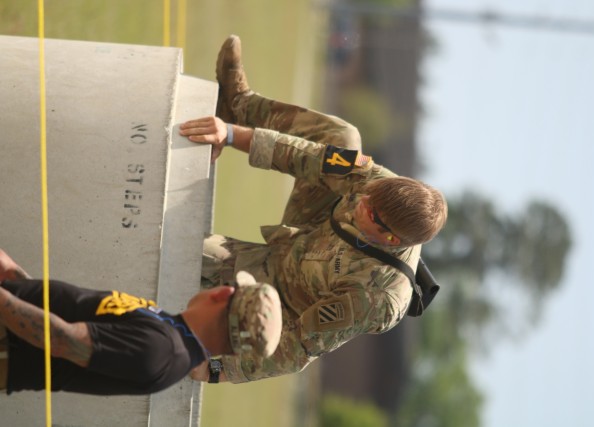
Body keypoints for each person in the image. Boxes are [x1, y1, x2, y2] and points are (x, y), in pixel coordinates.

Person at [179, 35, 448, 383]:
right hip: (313, 227)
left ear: (391, 238)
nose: (363, 201)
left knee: (187, 254)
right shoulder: (381, 188)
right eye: (370, 194)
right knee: (345, 137)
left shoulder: (376, 298)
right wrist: (230, 133)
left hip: (283, 290)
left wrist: (217, 370)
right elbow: (308, 157)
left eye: (372, 212)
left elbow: (297, 348)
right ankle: (237, 103)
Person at [0, 249, 282, 395]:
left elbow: (62, 340)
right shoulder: (171, 335)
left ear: (225, 293)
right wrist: (14, 275)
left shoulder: (163, 350)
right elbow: (69, 311)